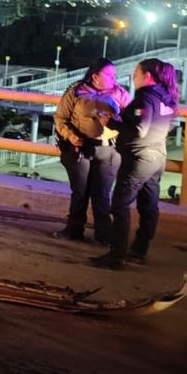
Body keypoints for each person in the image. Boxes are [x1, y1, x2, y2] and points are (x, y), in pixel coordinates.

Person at [91, 58, 179, 270]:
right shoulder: (166, 98)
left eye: (136, 73)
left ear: (147, 76)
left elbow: (140, 129)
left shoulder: (146, 98)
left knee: (120, 205)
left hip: (139, 158)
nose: (133, 77)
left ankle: (117, 256)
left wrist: (109, 122)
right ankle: (139, 250)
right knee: (149, 206)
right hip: (157, 156)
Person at [53, 59, 132, 243]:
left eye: (114, 74)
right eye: (109, 75)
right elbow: (60, 117)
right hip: (80, 148)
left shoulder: (120, 94)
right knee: (80, 191)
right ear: (95, 76)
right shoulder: (76, 91)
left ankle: (104, 234)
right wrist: (70, 135)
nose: (114, 78)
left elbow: (131, 121)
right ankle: (74, 229)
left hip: (108, 149)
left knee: (102, 193)